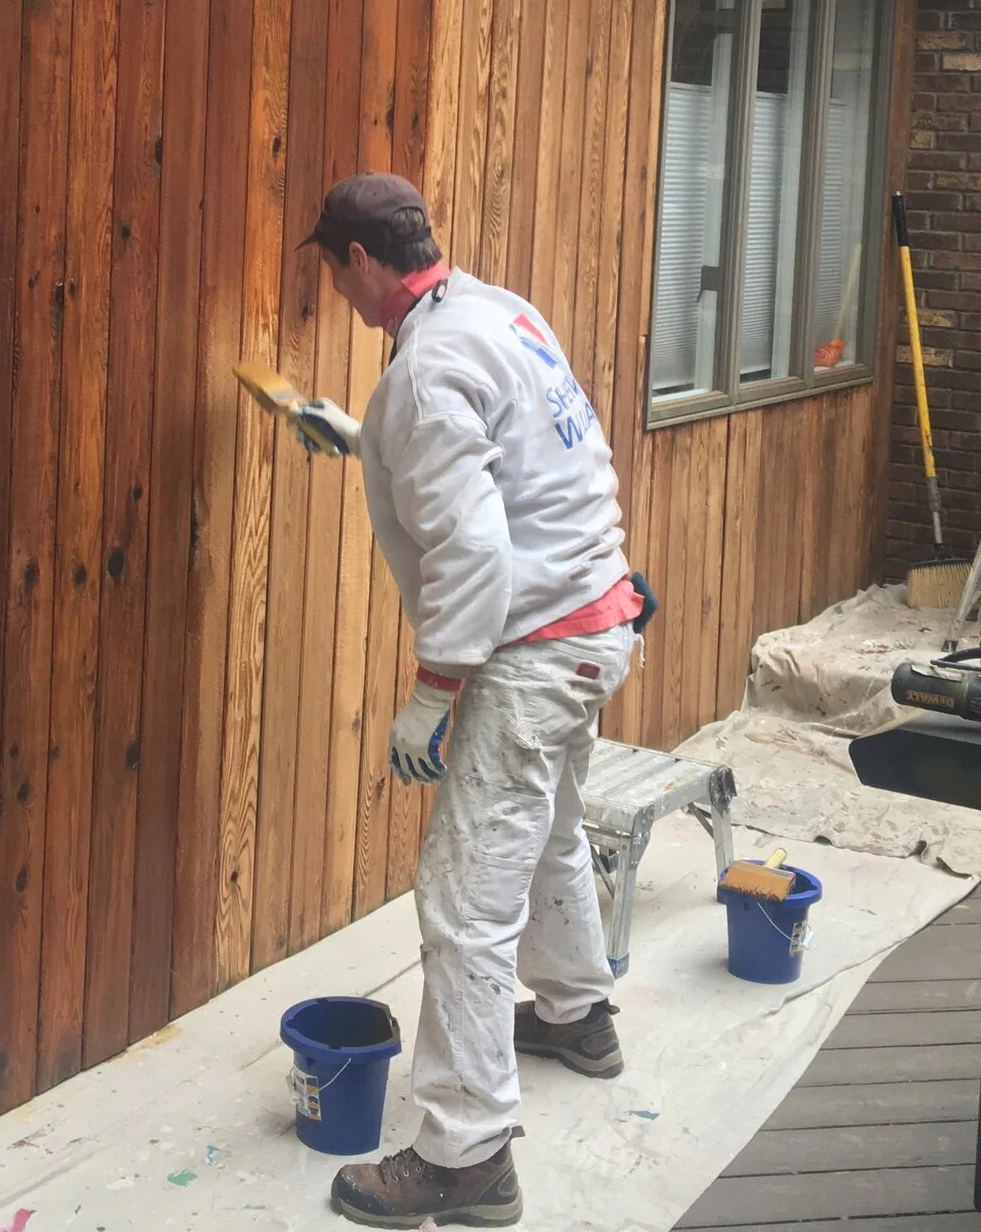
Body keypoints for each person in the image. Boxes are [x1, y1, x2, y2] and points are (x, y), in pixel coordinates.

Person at [304, 172, 648, 1231]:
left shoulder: (425, 370)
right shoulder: (499, 310)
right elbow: (507, 473)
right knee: (542, 832)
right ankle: (577, 1013)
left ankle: (465, 1153)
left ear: (360, 261)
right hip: (597, 617)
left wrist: (431, 693)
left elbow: (474, 546)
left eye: (332, 268)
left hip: (533, 653)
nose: (334, 286)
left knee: (459, 901)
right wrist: (368, 447)